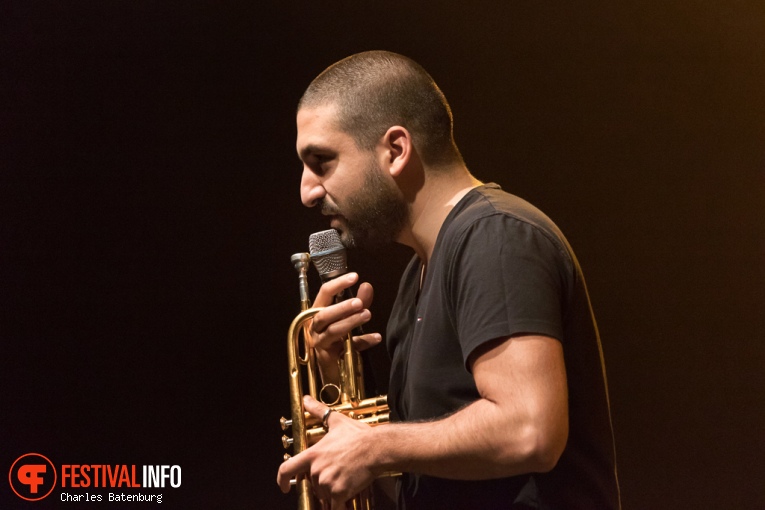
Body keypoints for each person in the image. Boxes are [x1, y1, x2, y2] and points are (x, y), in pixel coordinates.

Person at [277, 50, 620, 510]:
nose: (307, 191)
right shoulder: (415, 279)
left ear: (395, 150)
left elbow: (529, 431)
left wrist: (374, 447)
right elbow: (424, 486)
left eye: (322, 161)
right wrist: (341, 399)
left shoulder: (495, 237)